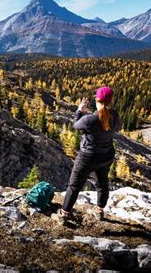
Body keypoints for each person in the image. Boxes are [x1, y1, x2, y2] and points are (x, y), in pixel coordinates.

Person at [56, 86, 121, 224]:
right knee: (102, 183)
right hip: (106, 155)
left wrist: (80, 111)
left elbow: (75, 125)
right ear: (111, 101)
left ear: (97, 99)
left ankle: (63, 214)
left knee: (74, 186)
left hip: (88, 157)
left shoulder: (89, 119)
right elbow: (116, 127)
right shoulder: (114, 115)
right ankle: (99, 211)